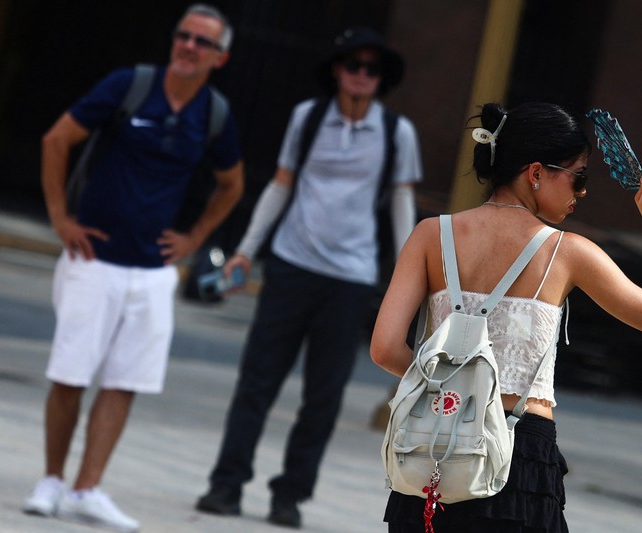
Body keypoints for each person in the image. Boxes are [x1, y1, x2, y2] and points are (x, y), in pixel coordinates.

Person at [370, 101, 642, 532]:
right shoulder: (566, 252)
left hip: (436, 447)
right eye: (578, 177)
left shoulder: (431, 234)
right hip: (519, 456)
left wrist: (453, 385)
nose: (582, 192)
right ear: (535, 173)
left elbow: (386, 347)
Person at [22, 5, 243, 532]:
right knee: (70, 374)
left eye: (201, 42)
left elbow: (232, 184)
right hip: (92, 259)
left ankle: (86, 488)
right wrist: (58, 216)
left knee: (124, 382)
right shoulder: (131, 84)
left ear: (220, 57)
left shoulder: (214, 112)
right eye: (182, 35)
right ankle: (51, 480)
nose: (188, 46)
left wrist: (193, 238)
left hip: (152, 273)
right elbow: (56, 140)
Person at [195, 26, 423, 528]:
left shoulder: (395, 133)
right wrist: (245, 252)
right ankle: (225, 485)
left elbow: (402, 202)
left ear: (381, 79)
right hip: (291, 266)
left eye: (372, 69)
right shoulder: (308, 117)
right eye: (354, 66)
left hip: (350, 279)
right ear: (337, 71)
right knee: (257, 382)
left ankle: (289, 497)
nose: (362, 76)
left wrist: (414, 274)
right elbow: (280, 186)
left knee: (323, 396)